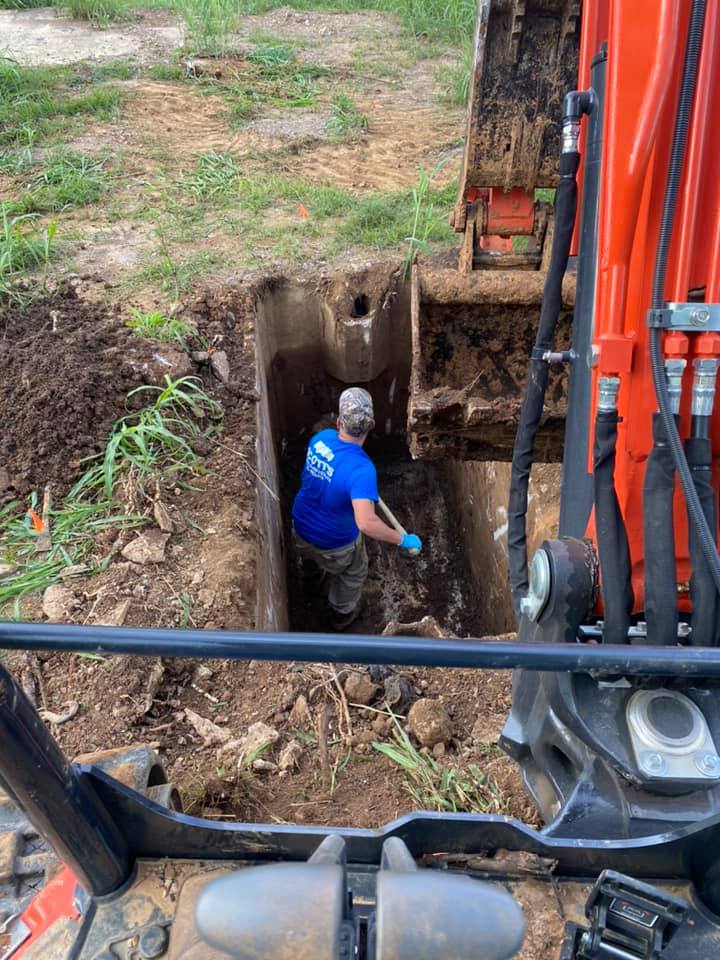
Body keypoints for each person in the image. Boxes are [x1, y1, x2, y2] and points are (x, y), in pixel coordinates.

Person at [291, 387, 423, 630]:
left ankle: (310, 581)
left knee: (309, 558)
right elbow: (366, 523)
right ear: (371, 424)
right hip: (334, 544)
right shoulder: (362, 471)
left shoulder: (321, 440)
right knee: (355, 571)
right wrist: (401, 540)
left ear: (339, 421)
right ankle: (342, 614)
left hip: (299, 527)